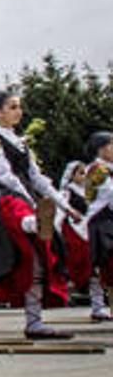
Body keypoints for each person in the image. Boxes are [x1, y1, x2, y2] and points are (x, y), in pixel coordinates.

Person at [0, 90, 77, 339]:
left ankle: (34, 322)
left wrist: (64, 205)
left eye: (19, 106)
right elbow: (4, 176)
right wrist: (32, 202)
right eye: (12, 107)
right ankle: (31, 222)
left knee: (37, 259)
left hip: (25, 198)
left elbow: (37, 178)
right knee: (17, 210)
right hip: (2, 199)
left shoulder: (22, 143)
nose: (18, 111)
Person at [56, 159, 111, 321]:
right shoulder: (67, 192)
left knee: (96, 271)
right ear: (71, 176)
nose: (83, 176)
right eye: (79, 173)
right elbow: (60, 214)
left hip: (90, 234)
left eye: (84, 173)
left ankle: (98, 307)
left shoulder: (91, 192)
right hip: (74, 236)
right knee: (86, 270)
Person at [84, 131, 113, 305]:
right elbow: (108, 196)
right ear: (101, 149)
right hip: (102, 220)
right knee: (109, 267)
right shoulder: (98, 170)